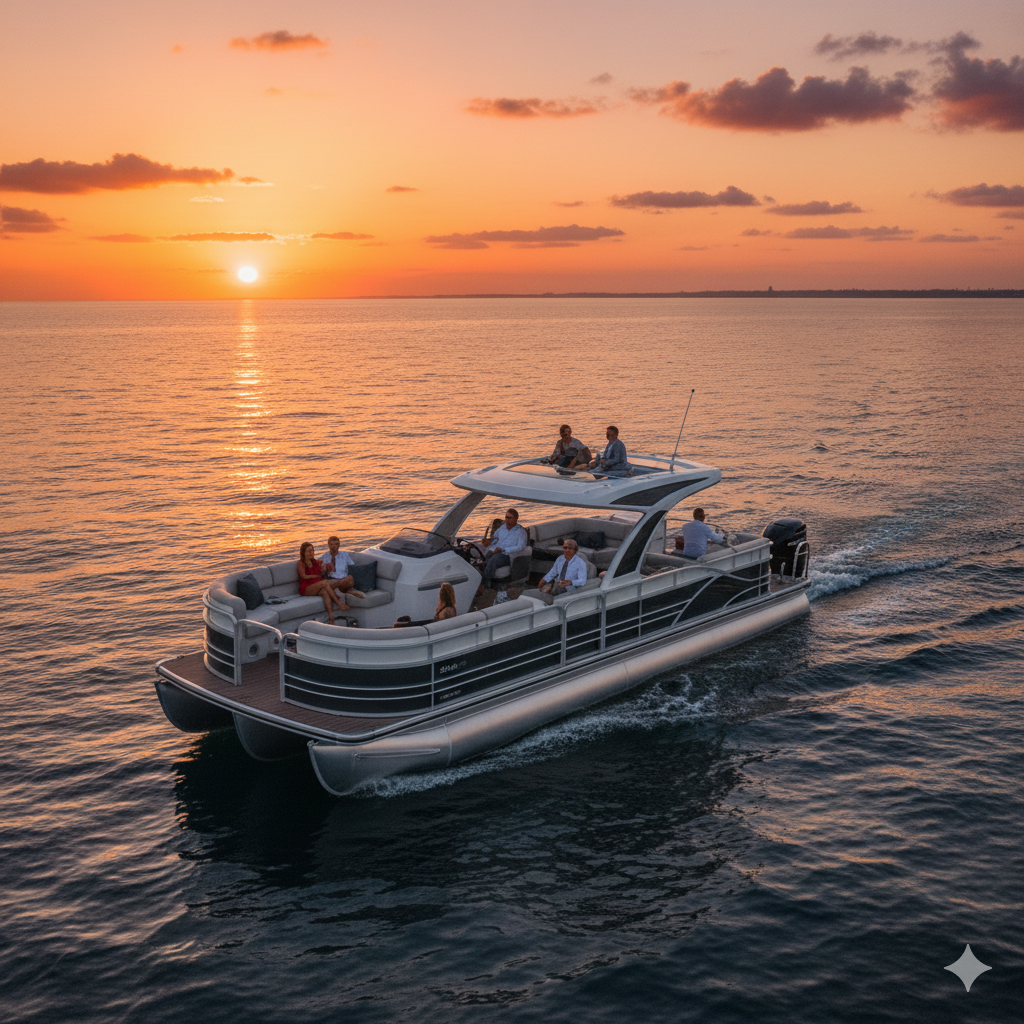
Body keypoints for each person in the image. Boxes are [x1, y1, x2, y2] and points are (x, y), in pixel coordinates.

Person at [296, 541, 349, 624]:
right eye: (309, 551)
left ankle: (331, 618)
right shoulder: (301, 563)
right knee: (324, 583)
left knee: (324, 592)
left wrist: (326, 567)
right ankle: (339, 603)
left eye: (312, 550)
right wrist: (317, 576)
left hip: (316, 586)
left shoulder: (316, 562)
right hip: (306, 588)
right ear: (303, 552)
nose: (311, 553)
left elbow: (322, 571)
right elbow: (304, 576)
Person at [479, 508, 528, 591]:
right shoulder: (501, 529)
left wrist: (504, 550)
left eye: (510, 518)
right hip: (497, 551)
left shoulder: (521, 531)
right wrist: (491, 548)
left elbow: (521, 546)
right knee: (484, 557)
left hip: (508, 555)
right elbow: (494, 541)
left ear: (516, 519)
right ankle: (481, 580)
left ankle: (484, 584)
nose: (507, 520)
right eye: (506, 517)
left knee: (494, 559)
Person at [394, 582, 458, 627]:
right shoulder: (450, 608)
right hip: (432, 624)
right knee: (413, 623)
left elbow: (441, 625)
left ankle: (401, 625)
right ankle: (402, 624)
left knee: (414, 624)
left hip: (433, 626)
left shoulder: (447, 610)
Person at [322, 535, 365, 600]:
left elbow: (352, 567)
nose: (334, 546)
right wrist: (326, 569)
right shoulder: (324, 557)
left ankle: (340, 590)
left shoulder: (344, 555)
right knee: (327, 583)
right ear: (328, 545)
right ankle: (347, 592)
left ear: (339, 545)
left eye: (336, 544)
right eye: (331, 544)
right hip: (331, 580)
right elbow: (320, 572)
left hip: (344, 580)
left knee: (350, 578)